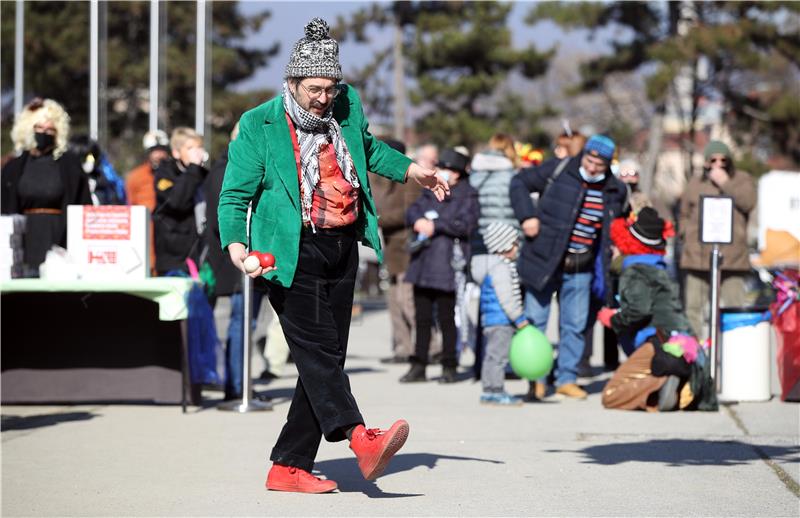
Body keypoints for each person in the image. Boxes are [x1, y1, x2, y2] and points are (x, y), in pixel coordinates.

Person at [217, 18, 448, 494]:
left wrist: (412, 171)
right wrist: (237, 248)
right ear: (293, 83)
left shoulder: (347, 106)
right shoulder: (259, 124)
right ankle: (359, 437)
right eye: (315, 89)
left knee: (324, 359)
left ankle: (288, 465)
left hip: (342, 245)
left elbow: (365, 149)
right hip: (287, 252)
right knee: (319, 353)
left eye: (331, 88)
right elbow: (233, 197)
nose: (324, 98)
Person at [510, 134, 627, 400]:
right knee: (536, 320)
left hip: (581, 264)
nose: (593, 167)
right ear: (583, 154)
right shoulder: (559, 169)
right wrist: (527, 216)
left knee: (574, 324)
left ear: (608, 164)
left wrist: (615, 244)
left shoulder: (614, 189)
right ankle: (535, 380)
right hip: (544, 259)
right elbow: (518, 182)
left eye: (600, 164)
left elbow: (615, 223)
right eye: (589, 160)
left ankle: (567, 378)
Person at [399, 148, 479, 384]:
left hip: (448, 264)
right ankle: (418, 364)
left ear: (460, 173)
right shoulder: (432, 188)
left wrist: (436, 224)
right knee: (421, 318)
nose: (446, 172)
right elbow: (412, 210)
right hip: (423, 261)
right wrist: (419, 220)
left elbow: (466, 224)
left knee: (447, 318)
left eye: (451, 169)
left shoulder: (469, 194)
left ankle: (449, 365)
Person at [1, 98, 91, 276]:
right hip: (24, 241)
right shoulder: (13, 168)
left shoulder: (70, 165)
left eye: (50, 129)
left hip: (59, 239)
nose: (44, 133)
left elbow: (83, 206)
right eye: (39, 128)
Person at [679, 140, 756, 341]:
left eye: (723, 159)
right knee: (693, 309)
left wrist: (725, 183)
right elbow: (684, 213)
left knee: (734, 307)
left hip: (732, 257)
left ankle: (735, 348)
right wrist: (685, 232)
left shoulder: (742, 179)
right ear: (706, 162)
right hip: (697, 255)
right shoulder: (696, 183)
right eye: (713, 159)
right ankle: (695, 357)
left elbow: (748, 202)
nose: (718, 164)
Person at [370, 138, 422, 364]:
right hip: (391, 248)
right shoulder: (384, 180)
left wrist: (377, 220)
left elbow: (409, 213)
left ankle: (429, 347)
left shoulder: (412, 181)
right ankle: (403, 348)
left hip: (407, 248)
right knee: (394, 302)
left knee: (407, 301)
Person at [471, 221, 527, 405]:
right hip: (501, 321)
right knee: (498, 358)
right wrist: (518, 317)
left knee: (492, 356)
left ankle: (489, 388)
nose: (517, 247)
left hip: (491, 320)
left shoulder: (492, 266)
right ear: (503, 245)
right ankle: (495, 390)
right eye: (514, 243)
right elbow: (506, 297)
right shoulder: (500, 268)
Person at [153, 127, 208, 276]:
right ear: (176, 152)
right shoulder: (164, 174)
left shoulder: (203, 175)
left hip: (202, 255)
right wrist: (193, 169)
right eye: (190, 148)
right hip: (175, 259)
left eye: (199, 147)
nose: (196, 152)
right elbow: (176, 202)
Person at [126, 129, 171, 274]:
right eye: (154, 151)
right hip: (145, 235)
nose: (159, 155)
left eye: (162, 150)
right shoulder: (136, 177)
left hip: (169, 235)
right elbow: (129, 207)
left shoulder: (174, 174)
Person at [69, 135, 126, 206]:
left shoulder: (104, 178)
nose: (91, 161)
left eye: (92, 156)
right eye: (85, 157)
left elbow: (115, 199)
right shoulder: (68, 181)